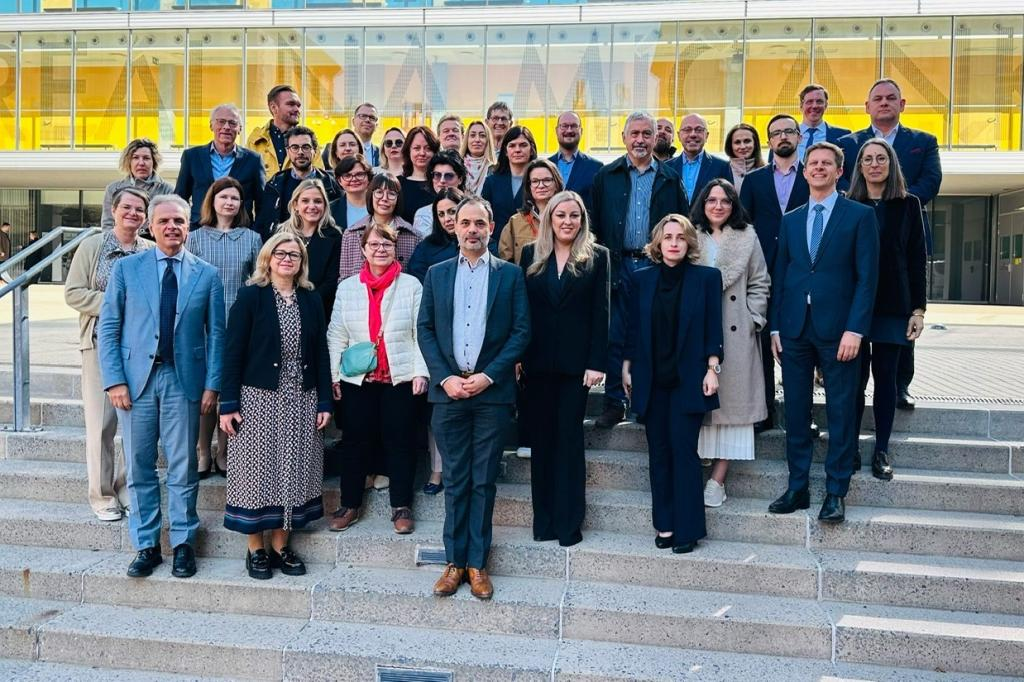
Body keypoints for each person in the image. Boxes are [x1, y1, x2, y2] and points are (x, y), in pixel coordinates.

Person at [97, 194, 225, 579]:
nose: (172, 227)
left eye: (179, 221)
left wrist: (212, 385)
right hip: (135, 383)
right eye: (164, 221)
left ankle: (184, 543)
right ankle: (147, 545)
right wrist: (114, 380)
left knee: (183, 466)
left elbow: (217, 335)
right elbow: (109, 327)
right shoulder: (127, 269)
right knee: (139, 467)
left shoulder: (207, 274)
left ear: (189, 227)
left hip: (182, 382)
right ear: (150, 227)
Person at [418, 196, 530, 601]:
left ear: (491, 227)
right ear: (454, 227)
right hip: (448, 393)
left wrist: (488, 376)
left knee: (483, 479)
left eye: (479, 223)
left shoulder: (510, 275)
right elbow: (425, 329)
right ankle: (454, 562)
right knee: (455, 479)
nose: (471, 230)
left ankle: (477, 563)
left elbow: (521, 332)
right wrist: (445, 377)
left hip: (491, 394)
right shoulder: (437, 274)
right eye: (464, 222)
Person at [768, 142, 879, 524]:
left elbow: (867, 280)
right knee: (796, 411)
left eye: (826, 163)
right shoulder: (791, 220)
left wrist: (855, 330)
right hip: (795, 329)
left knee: (841, 412)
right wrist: (776, 327)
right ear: (804, 171)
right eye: (812, 163)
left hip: (840, 332)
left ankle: (836, 492)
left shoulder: (860, 216)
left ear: (839, 171)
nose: (818, 168)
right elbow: (781, 275)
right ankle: (797, 486)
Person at [219, 233, 333, 580]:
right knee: (256, 471)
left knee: (293, 470)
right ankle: (256, 549)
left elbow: (321, 353)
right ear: (268, 258)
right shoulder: (250, 296)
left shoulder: (311, 299)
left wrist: (324, 400)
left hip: (301, 398)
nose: (287, 259)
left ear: (302, 263)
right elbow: (232, 351)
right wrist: (228, 403)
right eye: (281, 253)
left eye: (294, 255)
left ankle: (282, 546)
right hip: (257, 398)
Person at [839, 78, 942, 410]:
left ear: (902, 104)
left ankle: (900, 385)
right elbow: (843, 181)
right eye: (878, 98)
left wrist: (897, 204)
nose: (884, 102)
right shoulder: (849, 143)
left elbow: (931, 180)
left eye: (891, 98)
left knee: (901, 313)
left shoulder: (923, 141)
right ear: (867, 106)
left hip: (901, 234)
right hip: (859, 231)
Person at [622, 214, 723, 554]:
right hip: (652, 380)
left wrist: (712, 368)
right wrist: (626, 366)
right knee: (659, 453)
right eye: (668, 237)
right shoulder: (642, 279)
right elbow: (633, 328)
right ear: (658, 242)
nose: (674, 243)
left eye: (681, 237)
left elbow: (713, 326)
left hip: (689, 380)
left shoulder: (706, 278)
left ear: (689, 242)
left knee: (684, 452)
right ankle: (664, 524)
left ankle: (688, 529)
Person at [327, 223, 429, 534]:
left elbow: (420, 333)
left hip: (400, 377)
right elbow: (336, 334)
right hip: (358, 379)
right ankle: (349, 504)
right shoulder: (348, 287)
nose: (380, 250)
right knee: (355, 442)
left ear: (395, 249)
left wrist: (420, 371)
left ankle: (401, 505)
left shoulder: (411, 285)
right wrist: (334, 375)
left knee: (401, 441)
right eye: (374, 244)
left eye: (386, 244)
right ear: (363, 250)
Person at [520, 191, 609, 546]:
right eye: (561, 215)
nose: (567, 222)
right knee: (542, 443)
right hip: (537, 364)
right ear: (550, 219)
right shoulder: (531, 254)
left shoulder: (597, 256)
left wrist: (596, 362)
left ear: (582, 219)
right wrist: (518, 358)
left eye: (574, 215)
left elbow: (601, 312)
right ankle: (543, 522)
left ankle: (569, 524)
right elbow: (523, 310)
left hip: (576, 367)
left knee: (569, 442)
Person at [590, 111, 688, 428]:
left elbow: (683, 224)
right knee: (615, 336)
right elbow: (594, 225)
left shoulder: (670, 178)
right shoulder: (606, 176)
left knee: (652, 336)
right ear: (624, 138)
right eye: (635, 133)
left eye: (647, 134)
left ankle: (645, 402)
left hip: (656, 266)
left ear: (656, 138)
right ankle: (615, 402)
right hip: (617, 265)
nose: (640, 140)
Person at [66, 187, 155, 521]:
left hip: (142, 348)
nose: (133, 213)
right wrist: (118, 303)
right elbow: (74, 293)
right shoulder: (93, 246)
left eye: (139, 209)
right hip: (100, 343)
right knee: (101, 424)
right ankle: (102, 495)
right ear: (114, 210)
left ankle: (127, 489)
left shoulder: (150, 249)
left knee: (137, 425)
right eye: (126, 207)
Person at [848, 139, 927, 480]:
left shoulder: (909, 204)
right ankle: (850, 447)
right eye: (868, 159)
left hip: (893, 305)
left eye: (881, 158)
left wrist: (918, 310)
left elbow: (916, 259)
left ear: (892, 163)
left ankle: (881, 449)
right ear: (859, 166)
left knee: (885, 380)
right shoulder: (848, 203)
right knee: (854, 381)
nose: (875, 164)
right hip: (854, 305)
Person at [691, 179, 770, 507]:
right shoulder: (689, 235)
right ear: (703, 203)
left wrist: (753, 318)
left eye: (725, 200)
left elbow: (760, 281)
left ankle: (718, 480)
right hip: (695, 332)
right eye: (712, 200)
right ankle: (697, 468)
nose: (718, 206)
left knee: (734, 407)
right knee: (697, 403)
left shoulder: (747, 236)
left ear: (734, 205)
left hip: (736, 333)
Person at [185, 177, 263, 478]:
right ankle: (203, 450)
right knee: (206, 391)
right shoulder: (195, 238)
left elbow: (258, 281)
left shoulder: (252, 238)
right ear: (212, 201)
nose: (229, 202)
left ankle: (224, 451)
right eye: (224, 197)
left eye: (235, 198)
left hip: (240, 325)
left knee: (231, 389)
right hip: (204, 325)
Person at [739, 114, 810, 434]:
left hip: (802, 270)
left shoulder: (812, 174)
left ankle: (801, 415)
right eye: (776, 133)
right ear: (768, 141)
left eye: (789, 132)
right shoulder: (754, 180)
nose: (783, 137)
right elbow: (743, 226)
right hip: (762, 271)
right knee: (762, 343)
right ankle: (764, 412)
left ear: (799, 137)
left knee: (799, 344)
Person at [407, 187, 465, 495]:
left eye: (452, 211)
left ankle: (463, 469)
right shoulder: (427, 248)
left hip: (473, 338)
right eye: (441, 214)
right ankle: (437, 470)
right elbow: (417, 286)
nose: (447, 218)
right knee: (438, 410)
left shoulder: (481, 243)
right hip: (439, 334)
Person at [175, 104, 265, 227]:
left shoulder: (253, 160)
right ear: (211, 125)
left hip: (239, 230)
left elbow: (262, 203)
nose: (226, 127)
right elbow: (179, 198)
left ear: (240, 129)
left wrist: (257, 231)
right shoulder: (192, 156)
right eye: (221, 121)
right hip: (200, 228)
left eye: (232, 123)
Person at [254, 126, 341, 240]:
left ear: (314, 151)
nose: (300, 152)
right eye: (295, 147)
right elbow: (263, 223)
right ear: (288, 151)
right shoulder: (275, 185)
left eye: (306, 147)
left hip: (322, 244)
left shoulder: (331, 184)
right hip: (284, 246)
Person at [274, 178, 342, 318]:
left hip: (318, 309)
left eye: (317, 201)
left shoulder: (334, 237)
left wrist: (306, 303)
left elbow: (332, 281)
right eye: (305, 201)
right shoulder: (280, 234)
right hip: (280, 308)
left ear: (325, 205)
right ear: (295, 205)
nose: (312, 206)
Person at [340, 172, 420, 279]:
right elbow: (344, 278)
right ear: (370, 195)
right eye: (379, 192)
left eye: (391, 194)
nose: (384, 198)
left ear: (398, 199)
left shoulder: (413, 236)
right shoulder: (351, 234)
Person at [499, 158, 563, 265]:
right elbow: (506, 262)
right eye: (535, 181)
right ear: (529, 186)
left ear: (556, 184)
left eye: (547, 180)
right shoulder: (515, 222)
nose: (541, 185)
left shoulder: (567, 220)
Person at [481, 126, 538, 246]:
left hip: (531, 246)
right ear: (506, 151)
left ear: (532, 149)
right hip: (497, 246)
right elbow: (484, 218)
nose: (517, 150)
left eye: (523, 145)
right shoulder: (491, 182)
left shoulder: (539, 182)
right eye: (512, 145)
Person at [101, 138, 174, 231]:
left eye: (146, 158)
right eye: (135, 158)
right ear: (128, 162)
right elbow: (108, 224)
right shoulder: (113, 189)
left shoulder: (167, 190)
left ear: (154, 162)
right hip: (121, 239)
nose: (141, 163)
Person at [247, 85, 319, 178]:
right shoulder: (255, 140)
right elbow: (247, 178)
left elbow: (318, 178)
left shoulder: (308, 140)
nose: (297, 109)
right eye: (291, 104)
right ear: (274, 108)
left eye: (298, 106)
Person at [667, 113, 733, 209]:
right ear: (679, 136)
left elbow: (728, 202)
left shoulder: (722, 167)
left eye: (699, 130)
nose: (693, 134)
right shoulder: (666, 167)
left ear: (707, 136)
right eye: (687, 130)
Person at [548, 111, 603, 216]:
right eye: (564, 126)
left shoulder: (596, 168)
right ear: (556, 130)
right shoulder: (545, 166)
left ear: (581, 131)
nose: (569, 130)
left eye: (574, 126)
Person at [412, 151, 467, 237]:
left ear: (460, 179)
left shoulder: (474, 209)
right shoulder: (423, 215)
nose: (442, 181)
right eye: (437, 175)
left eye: (449, 176)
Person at [795, 84, 851, 163]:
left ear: (826, 105)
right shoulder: (788, 136)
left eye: (819, 101)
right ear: (801, 105)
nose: (814, 106)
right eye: (809, 102)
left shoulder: (843, 136)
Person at [398, 126, 441, 223]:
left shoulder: (442, 183)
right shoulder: (397, 184)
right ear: (408, 151)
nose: (422, 153)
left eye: (428, 148)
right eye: (417, 148)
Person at [329, 154, 372, 230]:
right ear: (339, 181)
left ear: (368, 177)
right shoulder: (330, 210)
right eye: (347, 176)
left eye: (359, 174)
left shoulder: (380, 205)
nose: (354, 179)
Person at [723, 123, 765, 193]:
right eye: (737, 142)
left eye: (747, 141)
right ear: (730, 146)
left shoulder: (767, 171)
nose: (742, 147)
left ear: (755, 143)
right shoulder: (722, 171)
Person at [460, 120, 495, 195]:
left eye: (482, 136)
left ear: (488, 140)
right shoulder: (456, 166)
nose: (477, 140)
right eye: (472, 135)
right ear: (467, 139)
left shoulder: (494, 169)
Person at [352, 102, 381, 167]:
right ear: (353, 121)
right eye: (363, 116)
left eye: (372, 117)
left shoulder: (382, 154)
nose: (367, 120)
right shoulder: (338, 150)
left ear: (376, 125)